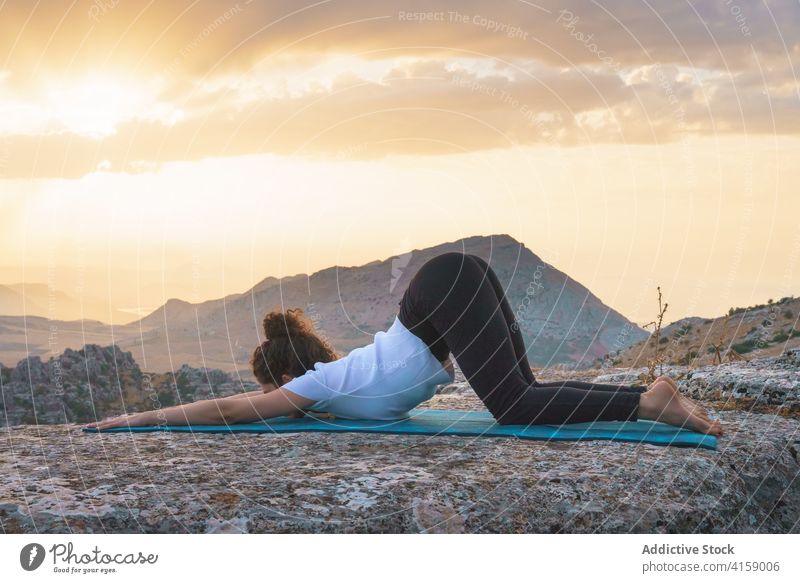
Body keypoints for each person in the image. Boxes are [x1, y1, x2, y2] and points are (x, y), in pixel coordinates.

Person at [85, 252, 722, 436]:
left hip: (443, 289)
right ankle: (648, 397)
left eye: (268, 393)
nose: (267, 405)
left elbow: (223, 413)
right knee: (522, 394)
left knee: (513, 407)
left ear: (282, 381)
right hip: (456, 284)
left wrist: (135, 420)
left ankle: (645, 403)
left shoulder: (319, 388)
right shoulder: (340, 382)